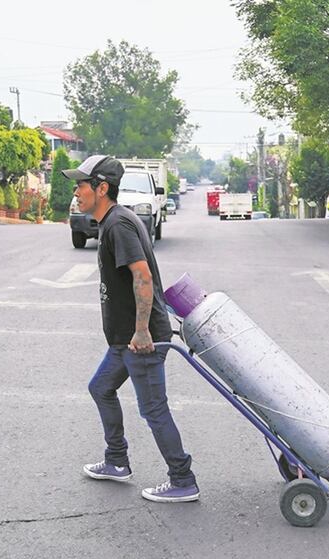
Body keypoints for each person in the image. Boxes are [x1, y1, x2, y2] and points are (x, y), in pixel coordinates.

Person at [65, 154, 200, 503]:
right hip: (126, 338)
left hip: (141, 339)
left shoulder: (118, 225)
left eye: (81, 185)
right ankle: (116, 460)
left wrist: (142, 332)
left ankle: (183, 479)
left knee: (153, 409)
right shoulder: (113, 221)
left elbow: (142, 276)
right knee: (101, 387)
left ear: (102, 188)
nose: (76, 192)